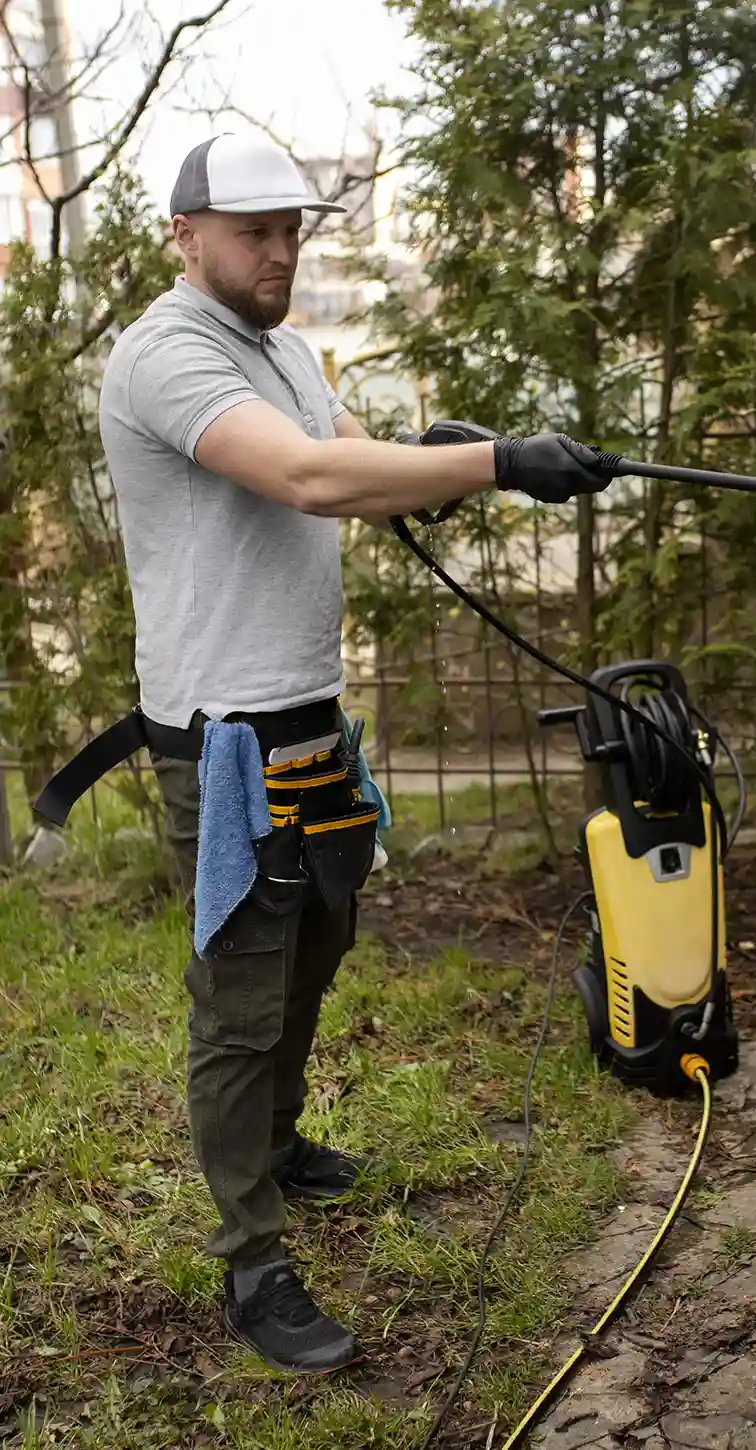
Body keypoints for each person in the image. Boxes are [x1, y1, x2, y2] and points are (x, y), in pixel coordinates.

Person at [95, 129, 613, 1375]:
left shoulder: (284, 348)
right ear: (187, 237)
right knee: (239, 996)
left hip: (309, 715)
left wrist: (452, 462)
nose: (280, 252)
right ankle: (250, 1261)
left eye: (292, 232)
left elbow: (358, 459)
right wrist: (495, 462)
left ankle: (276, 1146)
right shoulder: (165, 355)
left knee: (319, 943)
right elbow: (311, 478)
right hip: (219, 739)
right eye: (254, 233)